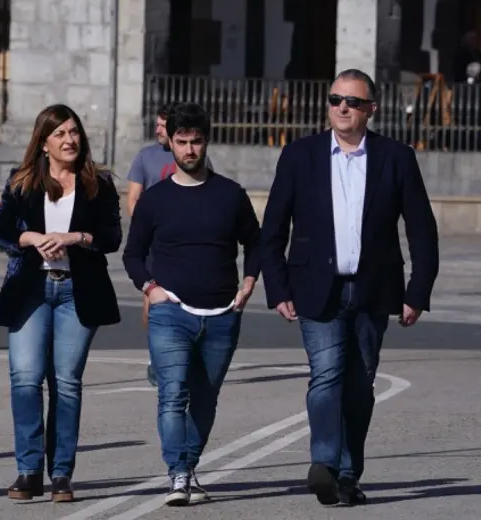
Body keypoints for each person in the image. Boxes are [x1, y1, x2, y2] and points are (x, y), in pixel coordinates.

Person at [260, 69, 439, 506]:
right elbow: (273, 228)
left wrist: (417, 292)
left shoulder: (395, 157)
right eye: (337, 99)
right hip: (315, 286)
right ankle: (323, 463)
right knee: (326, 375)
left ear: (370, 110)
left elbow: (422, 230)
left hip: (374, 289)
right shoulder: (299, 156)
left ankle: (347, 473)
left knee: (360, 386)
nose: (343, 107)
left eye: (353, 102)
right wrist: (278, 287)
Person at [122, 102, 260, 506]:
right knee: (172, 393)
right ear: (170, 143)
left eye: (196, 141)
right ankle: (178, 474)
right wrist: (150, 288)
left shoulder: (230, 194)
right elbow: (133, 254)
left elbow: (256, 241)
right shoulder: (156, 199)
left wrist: (249, 282)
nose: (190, 150)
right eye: (181, 142)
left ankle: (189, 466)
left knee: (205, 396)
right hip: (171, 311)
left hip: (221, 314)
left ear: (206, 141)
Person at [0, 104, 122, 503]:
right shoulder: (21, 182)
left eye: (74, 132)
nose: (69, 140)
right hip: (31, 289)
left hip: (76, 291)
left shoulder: (98, 183)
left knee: (66, 383)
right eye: (60, 133)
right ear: (44, 142)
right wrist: (30, 238)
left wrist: (75, 237)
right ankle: (28, 470)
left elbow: (111, 237)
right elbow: (1, 232)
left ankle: (61, 474)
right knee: (26, 378)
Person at [127, 103, 214, 388]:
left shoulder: (195, 156)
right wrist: (145, 231)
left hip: (187, 243)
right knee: (151, 298)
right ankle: (157, 355)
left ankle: (184, 352)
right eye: (157, 125)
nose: (157, 130)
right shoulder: (145, 156)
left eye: (163, 125)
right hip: (155, 239)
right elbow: (133, 198)